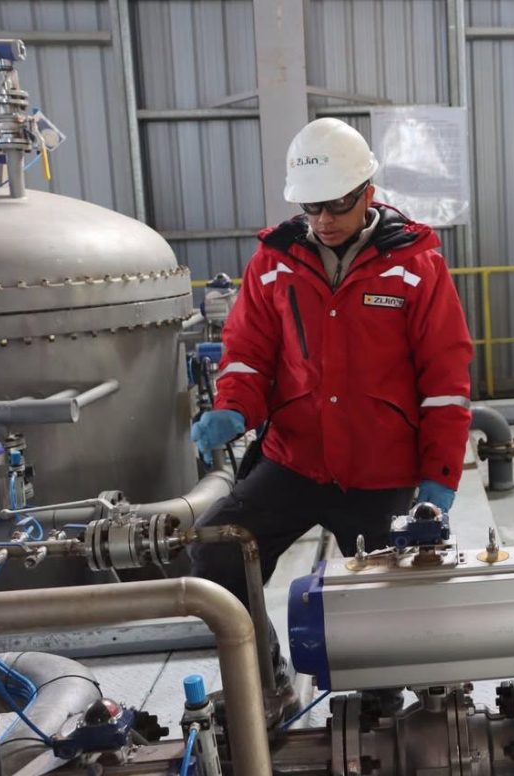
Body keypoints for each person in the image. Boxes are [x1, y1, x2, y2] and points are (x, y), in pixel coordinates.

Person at [188, 117, 473, 712]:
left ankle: (378, 707)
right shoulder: (273, 263)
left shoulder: (415, 266)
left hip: (380, 471)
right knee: (217, 550)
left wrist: (440, 475)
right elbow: (247, 354)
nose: (323, 220)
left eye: (337, 204)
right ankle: (262, 679)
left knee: (380, 606)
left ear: (367, 191)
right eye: (311, 206)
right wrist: (234, 407)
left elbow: (445, 382)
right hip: (295, 459)